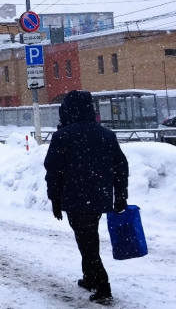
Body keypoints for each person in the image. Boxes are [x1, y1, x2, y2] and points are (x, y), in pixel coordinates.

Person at [44, 90, 129, 304]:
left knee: (87, 242)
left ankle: (103, 285)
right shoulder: (106, 134)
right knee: (88, 237)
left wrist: (54, 199)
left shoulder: (63, 135)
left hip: (75, 197)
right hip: (99, 197)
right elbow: (121, 166)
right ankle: (90, 277)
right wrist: (120, 195)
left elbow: (53, 170)